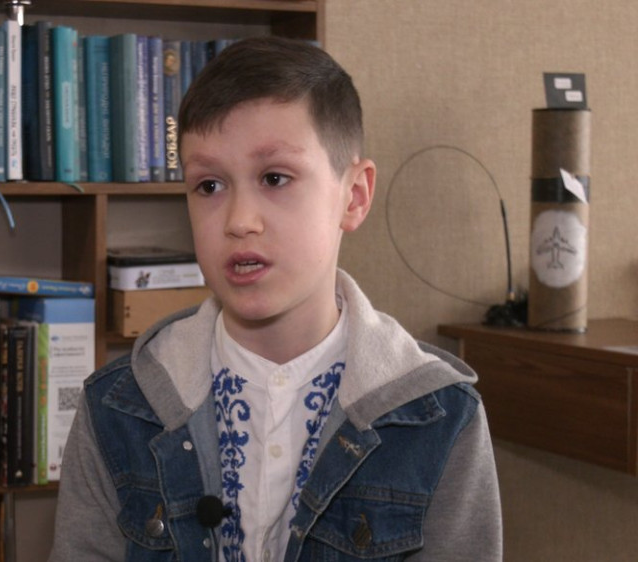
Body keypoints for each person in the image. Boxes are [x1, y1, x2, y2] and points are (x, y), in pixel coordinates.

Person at [48, 36, 501, 562]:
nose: (240, 221)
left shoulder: (440, 418)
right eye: (209, 186)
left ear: (353, 196)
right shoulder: (116, 409)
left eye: (275, 178)